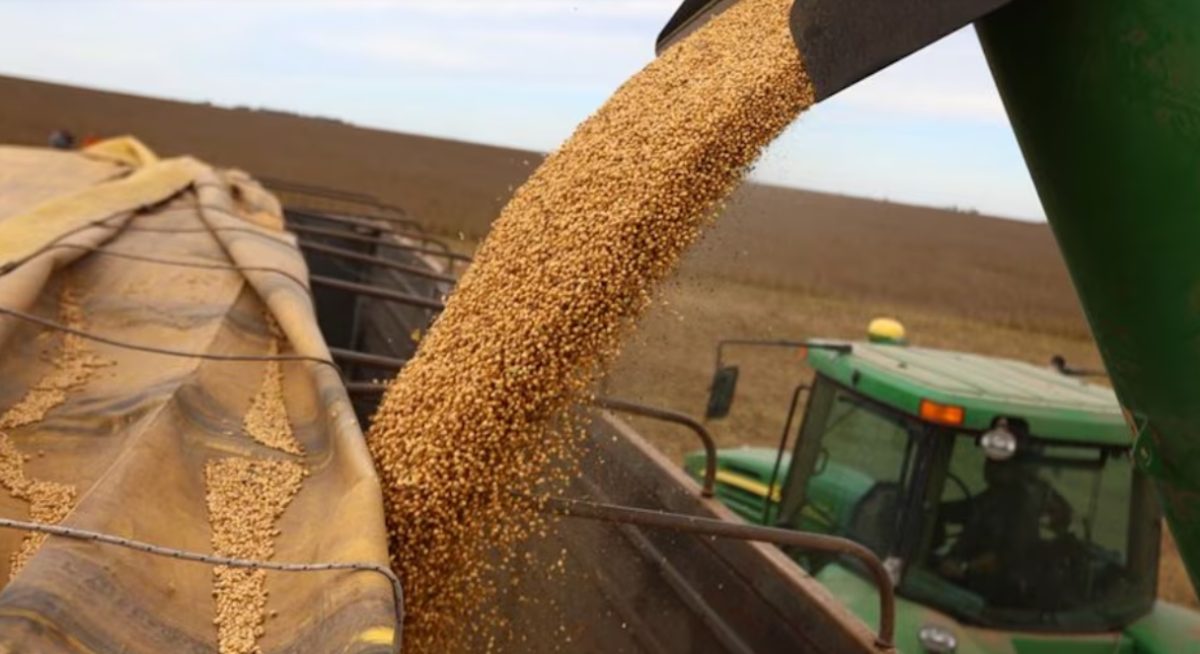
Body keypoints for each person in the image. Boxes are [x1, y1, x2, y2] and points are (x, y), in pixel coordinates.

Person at [934, 458, 1072, 607]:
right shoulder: (996, 496)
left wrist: (963, 568)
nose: (988, 468)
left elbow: (1008, 556)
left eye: (997, 463)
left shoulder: (1022, 503)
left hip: (994, 593)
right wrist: (938, 511)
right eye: (989, 461)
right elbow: (967, 509)